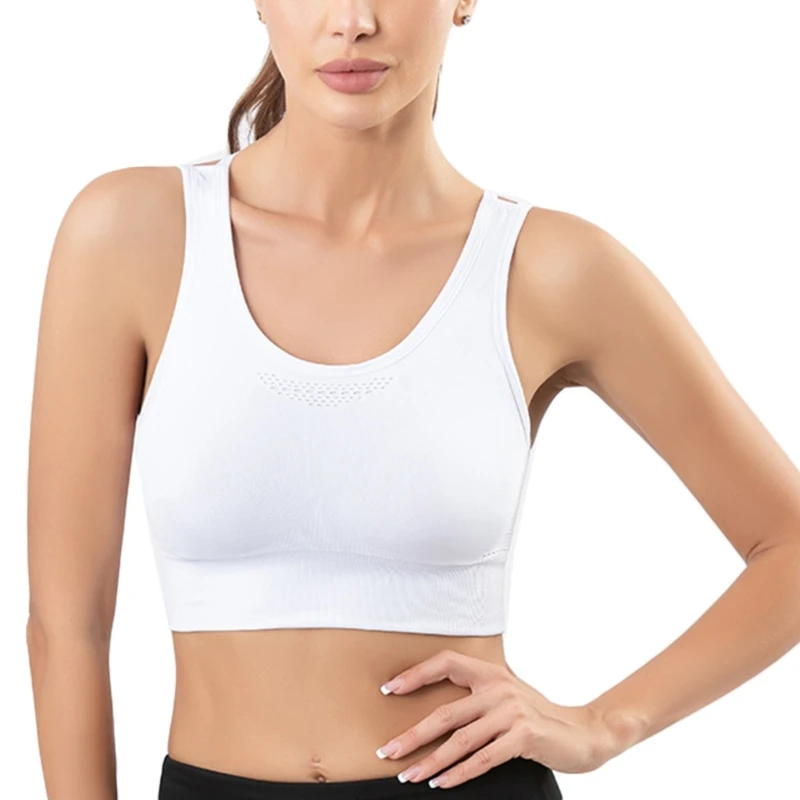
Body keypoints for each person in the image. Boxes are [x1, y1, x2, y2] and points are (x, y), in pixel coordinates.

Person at [26, 1, 800, 798]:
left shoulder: (548, 269)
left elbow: (788, 542)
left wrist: (607, 724)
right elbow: (65, 628)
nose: (352, 20)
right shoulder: (130, 235)